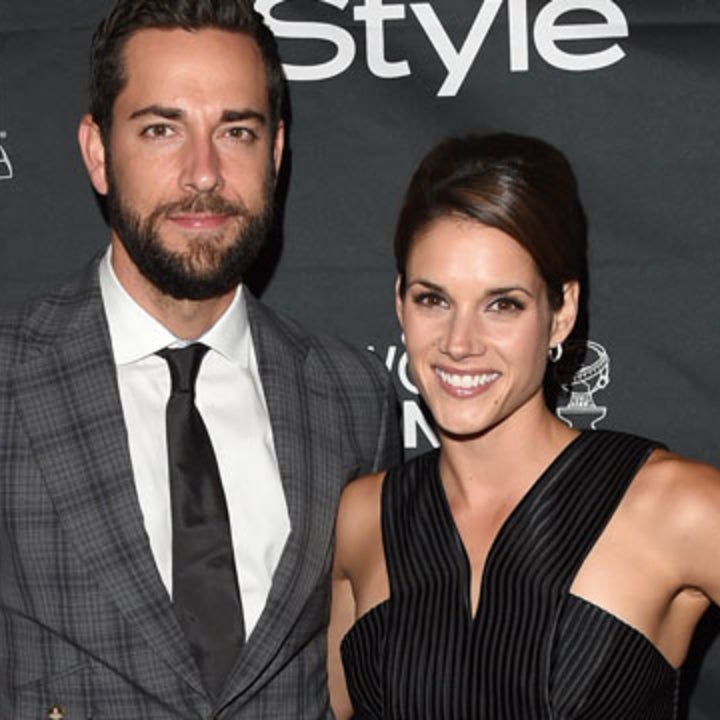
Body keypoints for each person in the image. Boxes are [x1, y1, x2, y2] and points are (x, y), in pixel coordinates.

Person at [0, 1, 401, 718]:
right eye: (162, 129)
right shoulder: (9, 380)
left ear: (275, 154)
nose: (203, 174)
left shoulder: (352, 396)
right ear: (98, 153)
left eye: (236, 131)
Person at [328, 132, 720, 719]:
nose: (460, 342)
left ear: (560, 313)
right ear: (400, 303)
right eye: (433, 299)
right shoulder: (362, 520)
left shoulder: (676, 506)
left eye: (502, 304)